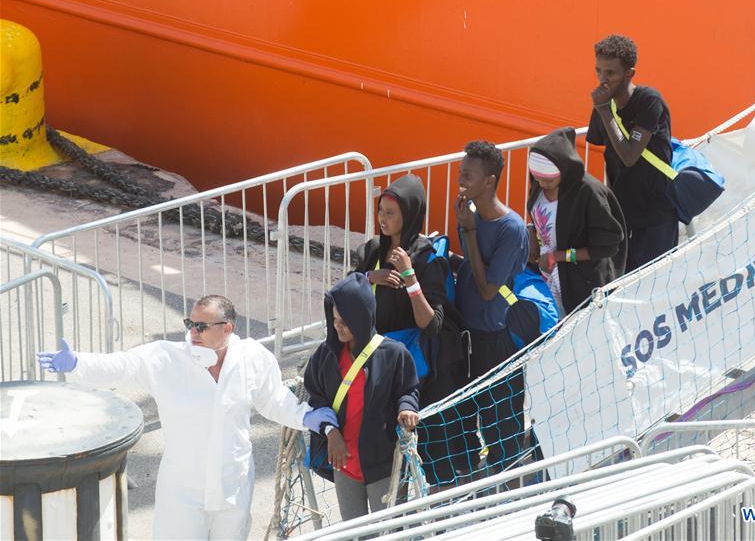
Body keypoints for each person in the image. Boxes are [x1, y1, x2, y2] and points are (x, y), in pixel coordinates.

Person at [36, 295, 335, 541]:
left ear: (227, 328)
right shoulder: (167, 358)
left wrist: (305, 417)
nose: (193, 332)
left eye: (202, 326)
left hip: (233, 484)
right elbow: (123, 365)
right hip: (182, 489)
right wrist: (77, 363)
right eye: (190, 324)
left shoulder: (252, 358)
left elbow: (274, 399)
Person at [353, 174, 466, 485]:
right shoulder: (372, 252)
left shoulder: (429, 259)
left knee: (428, 454)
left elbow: (431, 324)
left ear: (411, 214)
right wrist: (369, 279)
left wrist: (409, 277)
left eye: (391, 213)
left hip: (417, 372)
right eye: (381, 211)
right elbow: (343, 295)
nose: (383, 219)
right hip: (377, 366)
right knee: (385, 457)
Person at [303, 273, 420, 521]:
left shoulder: (394, 353)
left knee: (387, 532)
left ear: (362, 317)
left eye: (345, 321)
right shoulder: (325, 355)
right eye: (334, 320)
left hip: (382, 463)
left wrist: (406, 407)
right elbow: (315, 396)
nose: (337, 326)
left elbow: (408, 389)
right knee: (352, 530)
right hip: (342, 461)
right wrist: (330, 431)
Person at [453, 140, 529, 473]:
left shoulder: (511, 229)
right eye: (460, 173)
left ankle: (513, 503)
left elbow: (487, 290)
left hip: (497, 343)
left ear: (490, 181)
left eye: (468, 175)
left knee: (504, 436)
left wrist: (468, 231)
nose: (461, 181)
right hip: (466, 337)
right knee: (468, 428)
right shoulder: (467, 214)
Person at [586, 34, 678, 272]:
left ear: (630, 73)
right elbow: (603, 145)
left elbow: (629, 156)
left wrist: (605, 110)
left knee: (653, 284)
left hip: (655, 215)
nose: (603, 80)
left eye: (610, 73)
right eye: (599, 71)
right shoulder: (604, 105)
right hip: (623, 214)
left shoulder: (649, 101)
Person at [527, 126, 627, 315]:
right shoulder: (540, 180)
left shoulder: (590, 193)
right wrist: (532, 231)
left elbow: (607, 246)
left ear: (565, 171)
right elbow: (538, 212)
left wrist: (559, 256)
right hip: (550, 274)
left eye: (548, 181)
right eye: (537, 178)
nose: (541, 185)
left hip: (582, 283)